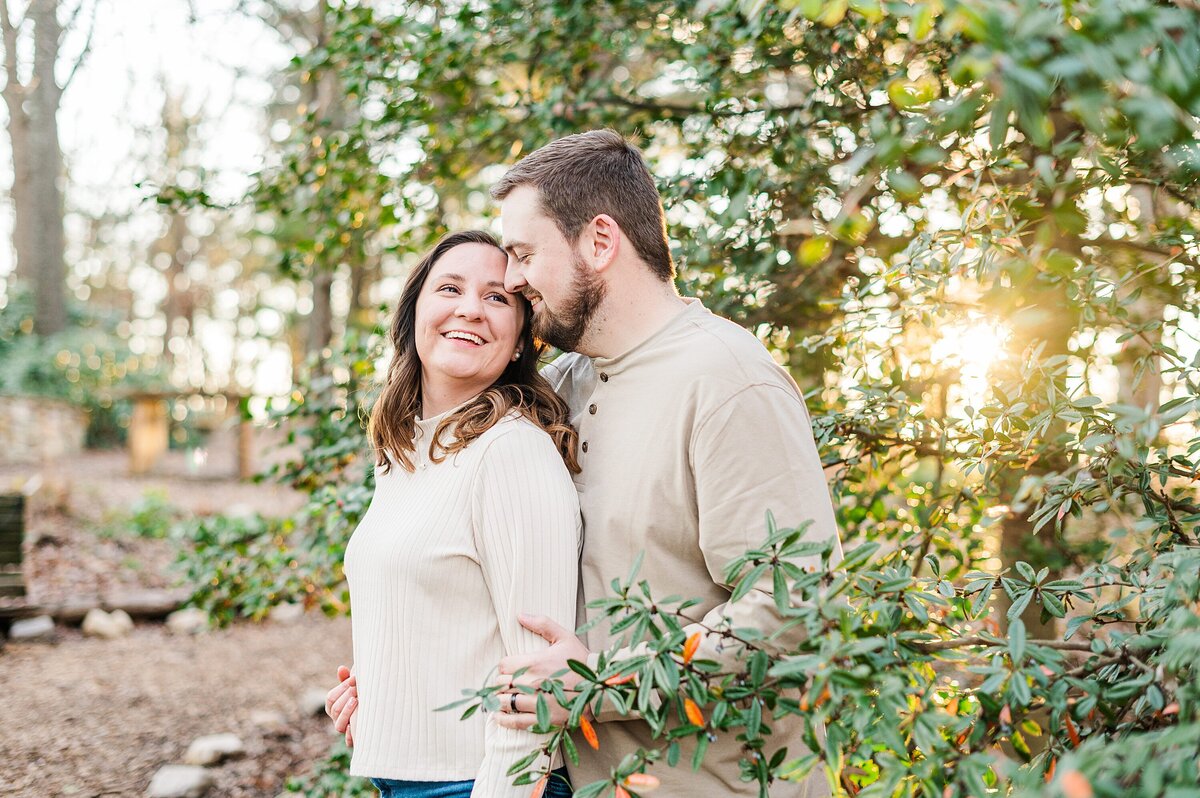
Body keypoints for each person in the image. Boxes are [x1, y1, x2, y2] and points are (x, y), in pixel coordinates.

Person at [486, 130, 843, 797]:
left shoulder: (729, 381)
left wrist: (602, 681)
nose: (511, 279)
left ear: (599, 240)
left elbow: (793, 605)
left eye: (523, 253)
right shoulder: (562, 386)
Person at [325, 230, 580, 798]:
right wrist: (386, 687)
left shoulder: (511, 451)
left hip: (484, 784)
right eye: (450, 287)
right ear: (414, 313)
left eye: (497, 298)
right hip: (407, 781)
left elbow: (534, 673)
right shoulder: (402, 452)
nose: (470, 308)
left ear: (519, 342)